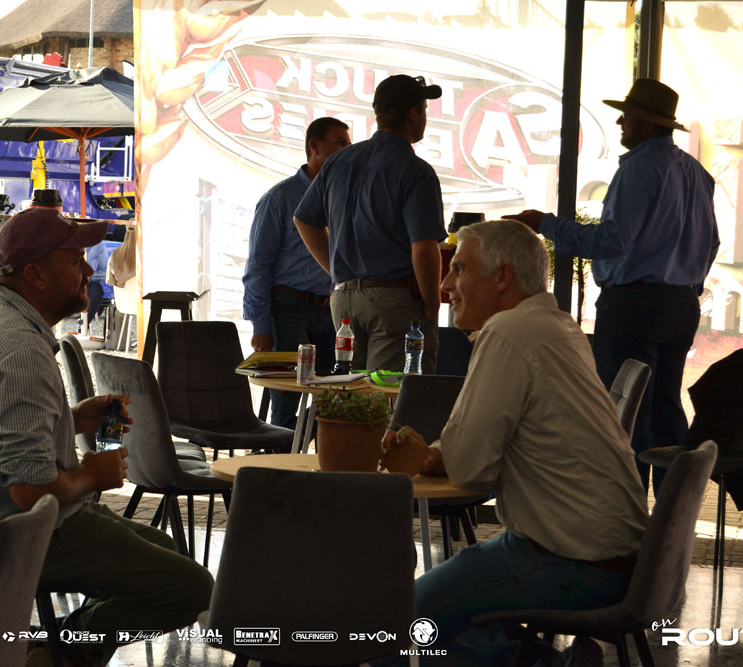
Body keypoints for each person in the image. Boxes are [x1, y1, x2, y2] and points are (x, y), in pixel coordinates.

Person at [0, 207, 213, 666]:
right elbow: (30, 492)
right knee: (192, 588)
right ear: (35, 275)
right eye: (75, 261)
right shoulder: (19, 351)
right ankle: (60, 657)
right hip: (9, 538)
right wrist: (92, 475)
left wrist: (70, 420)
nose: (89, 271)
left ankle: (54, 650)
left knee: (165, 551)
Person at [378, 220, 648, 666]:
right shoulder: (557, 326)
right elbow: (480, 446)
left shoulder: (508, 331)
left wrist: (443, 455)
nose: (445, 285)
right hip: (615, 561)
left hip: (572, 562)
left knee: (385, 631)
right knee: (434, 619)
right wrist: (436, 455)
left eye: (459, 269)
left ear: (502, 276)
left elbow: (470, 469)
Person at [508, 79, 719, 495]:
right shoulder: (696, 172)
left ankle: (626, 514)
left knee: (627, 413)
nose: (621, 122)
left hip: (635, 306)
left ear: (646, 124)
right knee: (666, 410)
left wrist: (545, 224)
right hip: (681, 304)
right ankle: (673, 513)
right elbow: (711, 243)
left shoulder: (639, 168)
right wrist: (686, 286)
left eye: (628, 116)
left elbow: (612, 241)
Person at [294, 74, 447, 373]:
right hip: (394, 301)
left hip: (342, 300)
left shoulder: (338, 162)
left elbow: (304, 220)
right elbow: (424, 249)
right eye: (424, 110)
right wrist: (431, 304)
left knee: (352, 394)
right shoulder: (415, 170)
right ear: (414, 114)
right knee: (394, 395)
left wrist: (338, 272)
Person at [242, 117, 351, 427]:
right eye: (340, 144)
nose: (347, 152)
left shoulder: (343, 198)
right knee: (287, 395)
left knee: (333, 394)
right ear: (315, 147)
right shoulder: (280, 198)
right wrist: (261, 325)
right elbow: (258, 267)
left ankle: (311, 451)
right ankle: (279, 454)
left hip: (330, 309)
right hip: (288, 308)